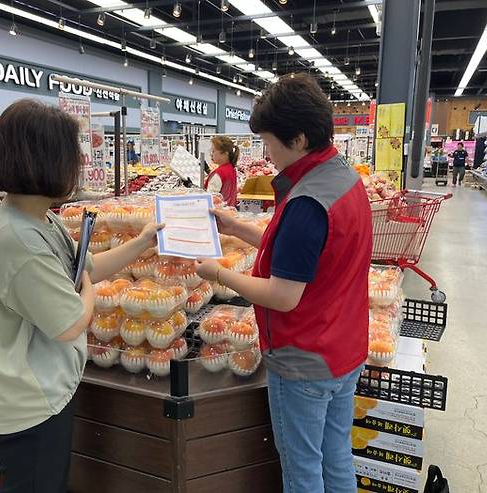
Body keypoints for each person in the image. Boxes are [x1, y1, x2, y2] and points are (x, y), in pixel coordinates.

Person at [195, 74, 372, 493]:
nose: (266, 153)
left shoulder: (307, 202)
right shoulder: (342, 178)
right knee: (336, 456)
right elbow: (302, 255)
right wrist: (236, 227)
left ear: (298, 138)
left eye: (270, 142)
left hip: (306, 358)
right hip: (345, 347)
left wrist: (219, 273)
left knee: (302, 469)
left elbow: (283, 295)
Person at [0, 99, 161, 492]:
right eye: (72, 154)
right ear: (45, 160)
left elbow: (87, 264)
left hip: (43, 392)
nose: (79, 163)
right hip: (29, 404)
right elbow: (72, 321)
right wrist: (87, 287)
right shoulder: (20, 239)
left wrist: (143, 243)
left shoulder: (37, 216)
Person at [204, 136, 239, 207]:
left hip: (218, 215)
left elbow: (210, 198)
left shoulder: (219, 173)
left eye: (213, 151)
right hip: (229, 212)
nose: (211, 154)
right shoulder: (231, 169)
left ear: (225, 153)